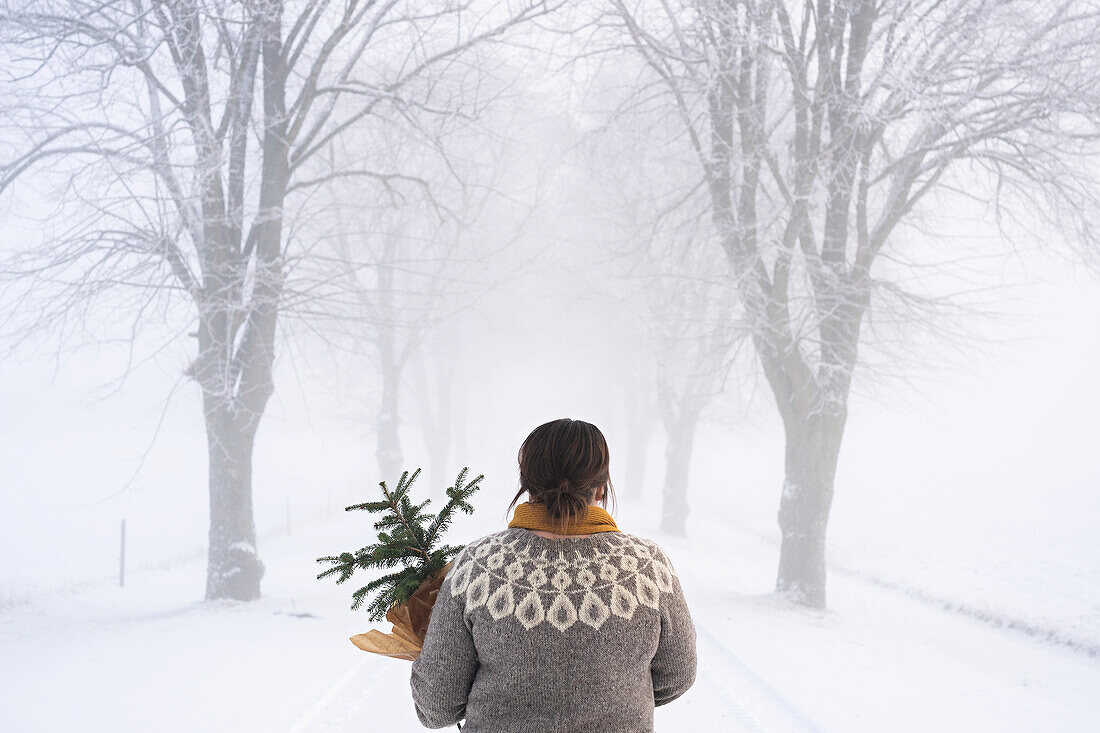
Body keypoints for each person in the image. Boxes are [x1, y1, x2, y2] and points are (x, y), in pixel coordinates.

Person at [410, 418, 697, 731]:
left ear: (527, 484)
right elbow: (677, 674)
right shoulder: (649, 567)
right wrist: (613, 697)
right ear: (601, 488)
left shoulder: (477, 566)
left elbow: (437, 706)